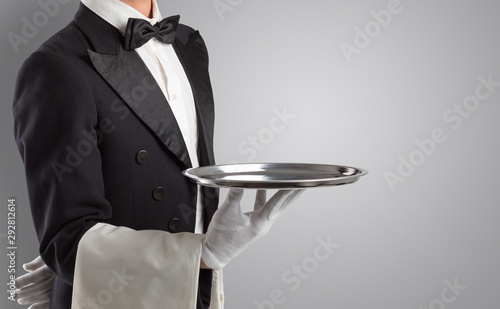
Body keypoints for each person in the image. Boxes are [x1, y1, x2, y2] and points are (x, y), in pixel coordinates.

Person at [13, 0, 303, 308]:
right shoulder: (54, 65)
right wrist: (201, 255)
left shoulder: (187, 44)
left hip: (191, 292)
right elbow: (69, 240)